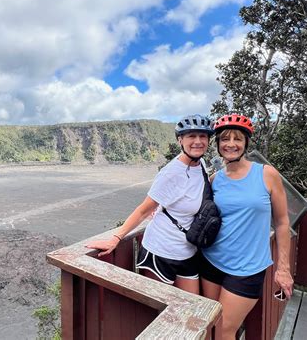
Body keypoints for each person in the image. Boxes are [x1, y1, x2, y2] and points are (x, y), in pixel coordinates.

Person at [86, 114, 214, 294]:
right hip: (160, 251)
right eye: (191, 136)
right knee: (159, 308)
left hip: (188, 252)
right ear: (180, 140)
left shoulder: (200, 163)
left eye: (203, 137)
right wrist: (116, 238)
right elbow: (143, 210)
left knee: (192, 309)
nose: (198, 141)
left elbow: (197, 189)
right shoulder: (171, 174)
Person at [199, 114, 294, 339]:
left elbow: (282, 223)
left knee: (224, 330)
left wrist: (283, 268)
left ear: (246, 144)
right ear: (218, 145)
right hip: (212, 260)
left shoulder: (267, 174)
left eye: (237, 139)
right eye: (225, 139)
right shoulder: (215, 180)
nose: (231, 144)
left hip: (248, 268)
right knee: (211, 327)